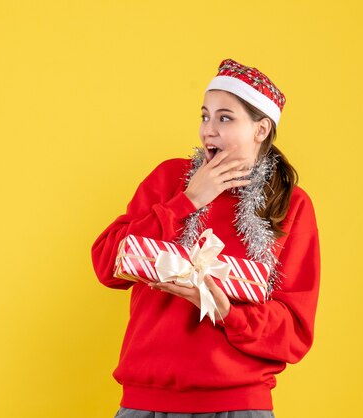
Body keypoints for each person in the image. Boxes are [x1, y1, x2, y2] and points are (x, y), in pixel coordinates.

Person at [90, 58, 320, 418]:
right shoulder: (170, 178)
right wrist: (189, 200)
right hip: (145, 402)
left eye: (225, 118)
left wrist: (226, 311)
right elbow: (107, 264)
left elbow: (293, 333)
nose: (207, 130)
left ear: (261, 129)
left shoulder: (291, 204)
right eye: (204, 116)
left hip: (239, 406)